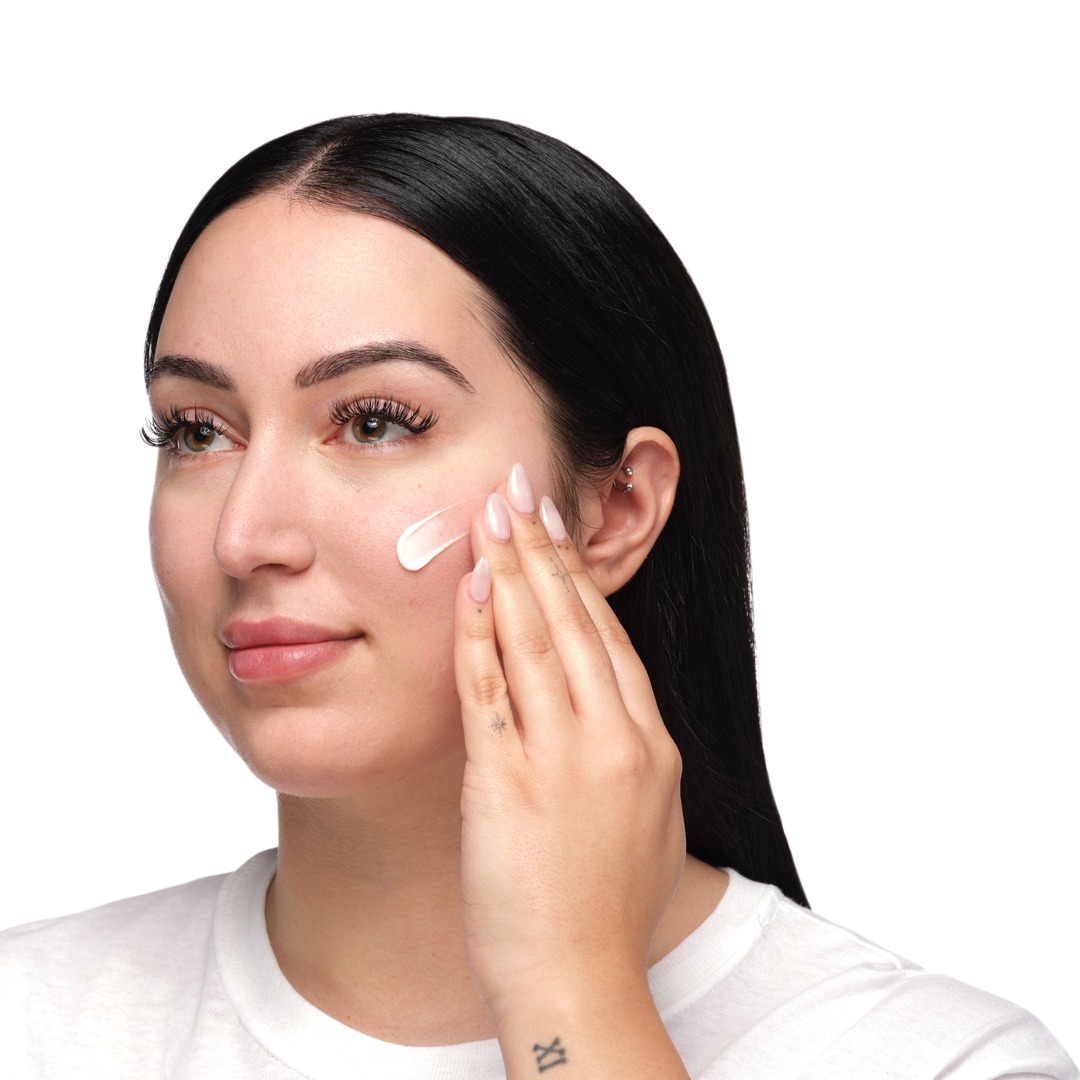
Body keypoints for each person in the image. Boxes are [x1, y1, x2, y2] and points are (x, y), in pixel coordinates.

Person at [0, 114, 1074, 1079]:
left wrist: (569, 994)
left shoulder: (941, 1062)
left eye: (373, 421)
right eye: (196, 431)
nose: (245, 536)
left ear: (615, 510)